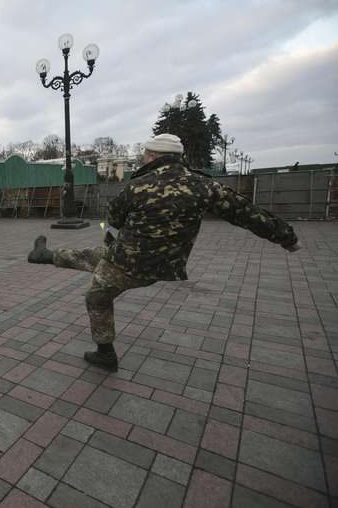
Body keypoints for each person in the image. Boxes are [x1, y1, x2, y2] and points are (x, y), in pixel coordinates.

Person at [28, 133, 301, 372]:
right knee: (93, 255)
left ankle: (105, 355)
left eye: (146, 154)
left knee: (96, 295)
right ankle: (45, 255)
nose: (144, 158)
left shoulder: (136, 187)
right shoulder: (204, 186)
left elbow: (114, 220)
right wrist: (287, 237)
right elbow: (248, 214)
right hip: (164, 265)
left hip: (128, 263)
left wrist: (114, 234)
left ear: (154, 155)